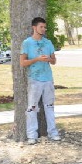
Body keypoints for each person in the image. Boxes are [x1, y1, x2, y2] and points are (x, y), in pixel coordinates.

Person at [20, 17, 61, 145]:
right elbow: (22, 63)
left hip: (48, 79)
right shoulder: (27, 43)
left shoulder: (48, 43)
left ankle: (53, 133)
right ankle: (32, 135)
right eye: (41, 27)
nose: (43, 29)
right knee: (32, 107)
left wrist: (48, 59)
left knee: (49, 106)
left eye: (44, 27)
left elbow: (54, 61)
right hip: (34, 79)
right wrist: (37, 59)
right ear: (34, 27)